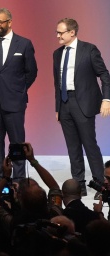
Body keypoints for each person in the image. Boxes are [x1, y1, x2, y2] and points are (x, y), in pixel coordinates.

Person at [53, 18, 110, 198]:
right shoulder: (57, 53)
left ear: (72, 32)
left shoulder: (89, 50)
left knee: (90, 145)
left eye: (61, 32)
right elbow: (57, 83)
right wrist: (57, 107)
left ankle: (102, 186)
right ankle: (79, 186)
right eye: (57, 32)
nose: (57, 35)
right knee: (73, 147)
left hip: (83, 103)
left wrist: (106, 99)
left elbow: (104, 75)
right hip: (64, 103)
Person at [0, 8, 37, 182]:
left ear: (9, 22)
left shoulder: (24, 44)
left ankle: (19, 182)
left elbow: (31, 72)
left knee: (17, 144)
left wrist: (18, 90)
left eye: (0, 22)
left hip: (14, 103)